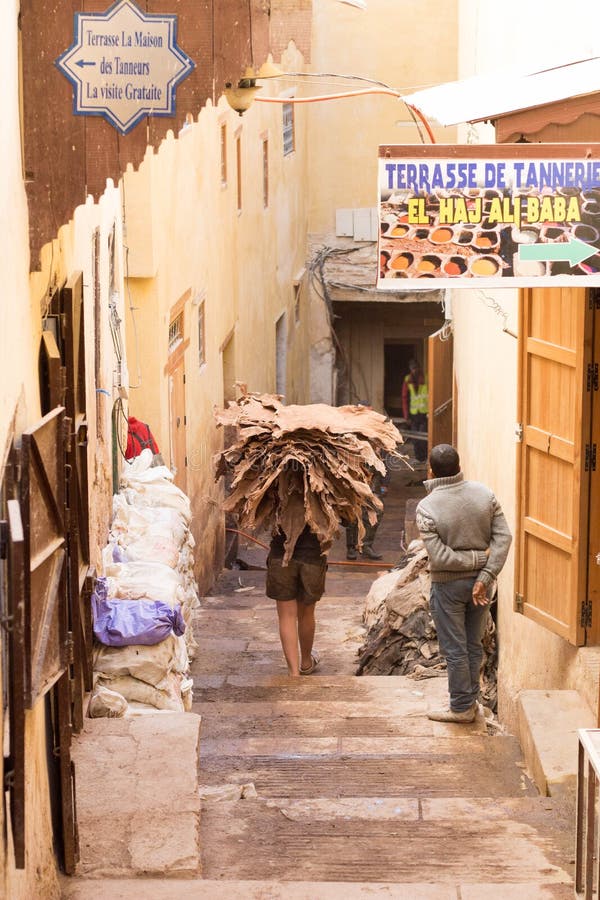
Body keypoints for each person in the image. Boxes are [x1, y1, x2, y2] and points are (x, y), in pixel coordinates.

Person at [415, 444, 512, 723]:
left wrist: (473, 564)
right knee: (472, 645)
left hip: (448, 588)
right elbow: (503, 539)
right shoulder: (485, 494)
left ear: (431, 470)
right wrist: (484, 573)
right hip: (482, 587)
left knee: (456, 649)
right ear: (460, 465)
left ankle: (460, 708)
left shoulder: (427, 507)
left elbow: (440, 557)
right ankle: (471, 702)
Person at [266, 524, 328, 676]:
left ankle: (294, 673)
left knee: (286, 616)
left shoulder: (277, 498)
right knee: (306, 613)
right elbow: (346, 520)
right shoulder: (326, 498)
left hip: (281, 555)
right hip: (313, 556)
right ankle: (306, 662)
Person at [346, 469, 385, 560]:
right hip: (352, 474)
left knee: (377, 511)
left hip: (372, 477)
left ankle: (366, 545)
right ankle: (351, 547)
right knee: (353, 514)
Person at [402, 359, 428, 463]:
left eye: (416, 368)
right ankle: (419, 458)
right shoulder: (408, 379)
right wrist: (406, 416)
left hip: (424, 413)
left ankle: (425, 457)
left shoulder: (426, 377)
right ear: (410, 369)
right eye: (412, 368)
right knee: (415, 438)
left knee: (423, 437)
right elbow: (404, 397)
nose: (414, 370)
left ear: (419, 367)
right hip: (413, 414)